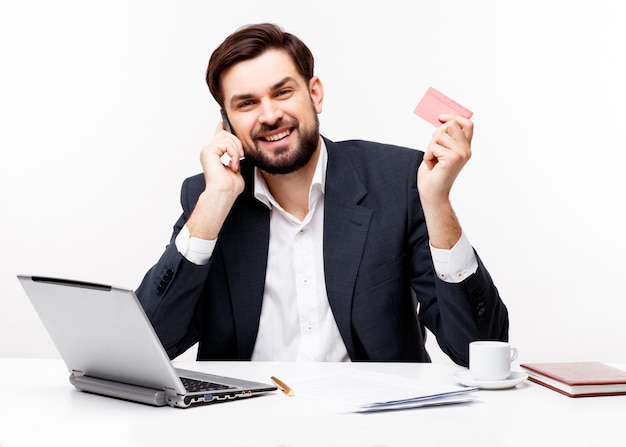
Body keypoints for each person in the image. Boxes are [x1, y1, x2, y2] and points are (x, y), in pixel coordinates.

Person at [136, 23, 509, 366]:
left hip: (373, 425)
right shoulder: (208, 198)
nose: (268, 115)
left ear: (314, 94)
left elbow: (479, 347)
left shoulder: (397, 182)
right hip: (249, 423)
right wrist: (213, 205)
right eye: (246, 103)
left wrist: (437, 202)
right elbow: (149, 346)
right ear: (227, 125)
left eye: (282, 92)